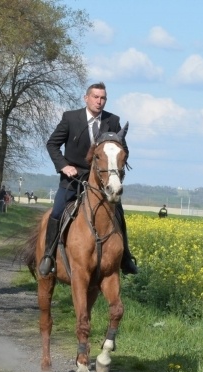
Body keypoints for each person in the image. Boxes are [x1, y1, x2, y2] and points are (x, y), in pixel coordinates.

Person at [41, 81, 138, 276]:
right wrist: (64, 166)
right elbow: (52, 144)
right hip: (73, 179)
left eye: (103, 98)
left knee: (119, 212)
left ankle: (126, 258)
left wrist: (116, 168)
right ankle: (48, 257)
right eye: (95, 97)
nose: (99, 101)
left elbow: (123, 149)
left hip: (101, 182)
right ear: (86, 98)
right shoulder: (70, 118)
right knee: (58, 211)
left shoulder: (113, 121)